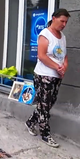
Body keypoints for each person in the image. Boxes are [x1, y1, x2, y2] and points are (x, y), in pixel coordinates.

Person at [25, 8, 71, 148]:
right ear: (54, 18)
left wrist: (64, 67)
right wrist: (57, 67)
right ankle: (45, 134)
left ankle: (30, 122)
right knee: (44, 106)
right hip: (44, 75)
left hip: (57, 76)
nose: (64, 24)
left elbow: (64, 56)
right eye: (62, 21)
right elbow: (42, 56)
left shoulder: (62, 37)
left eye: (66, 22)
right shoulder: (45, 34)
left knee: (49, 103)